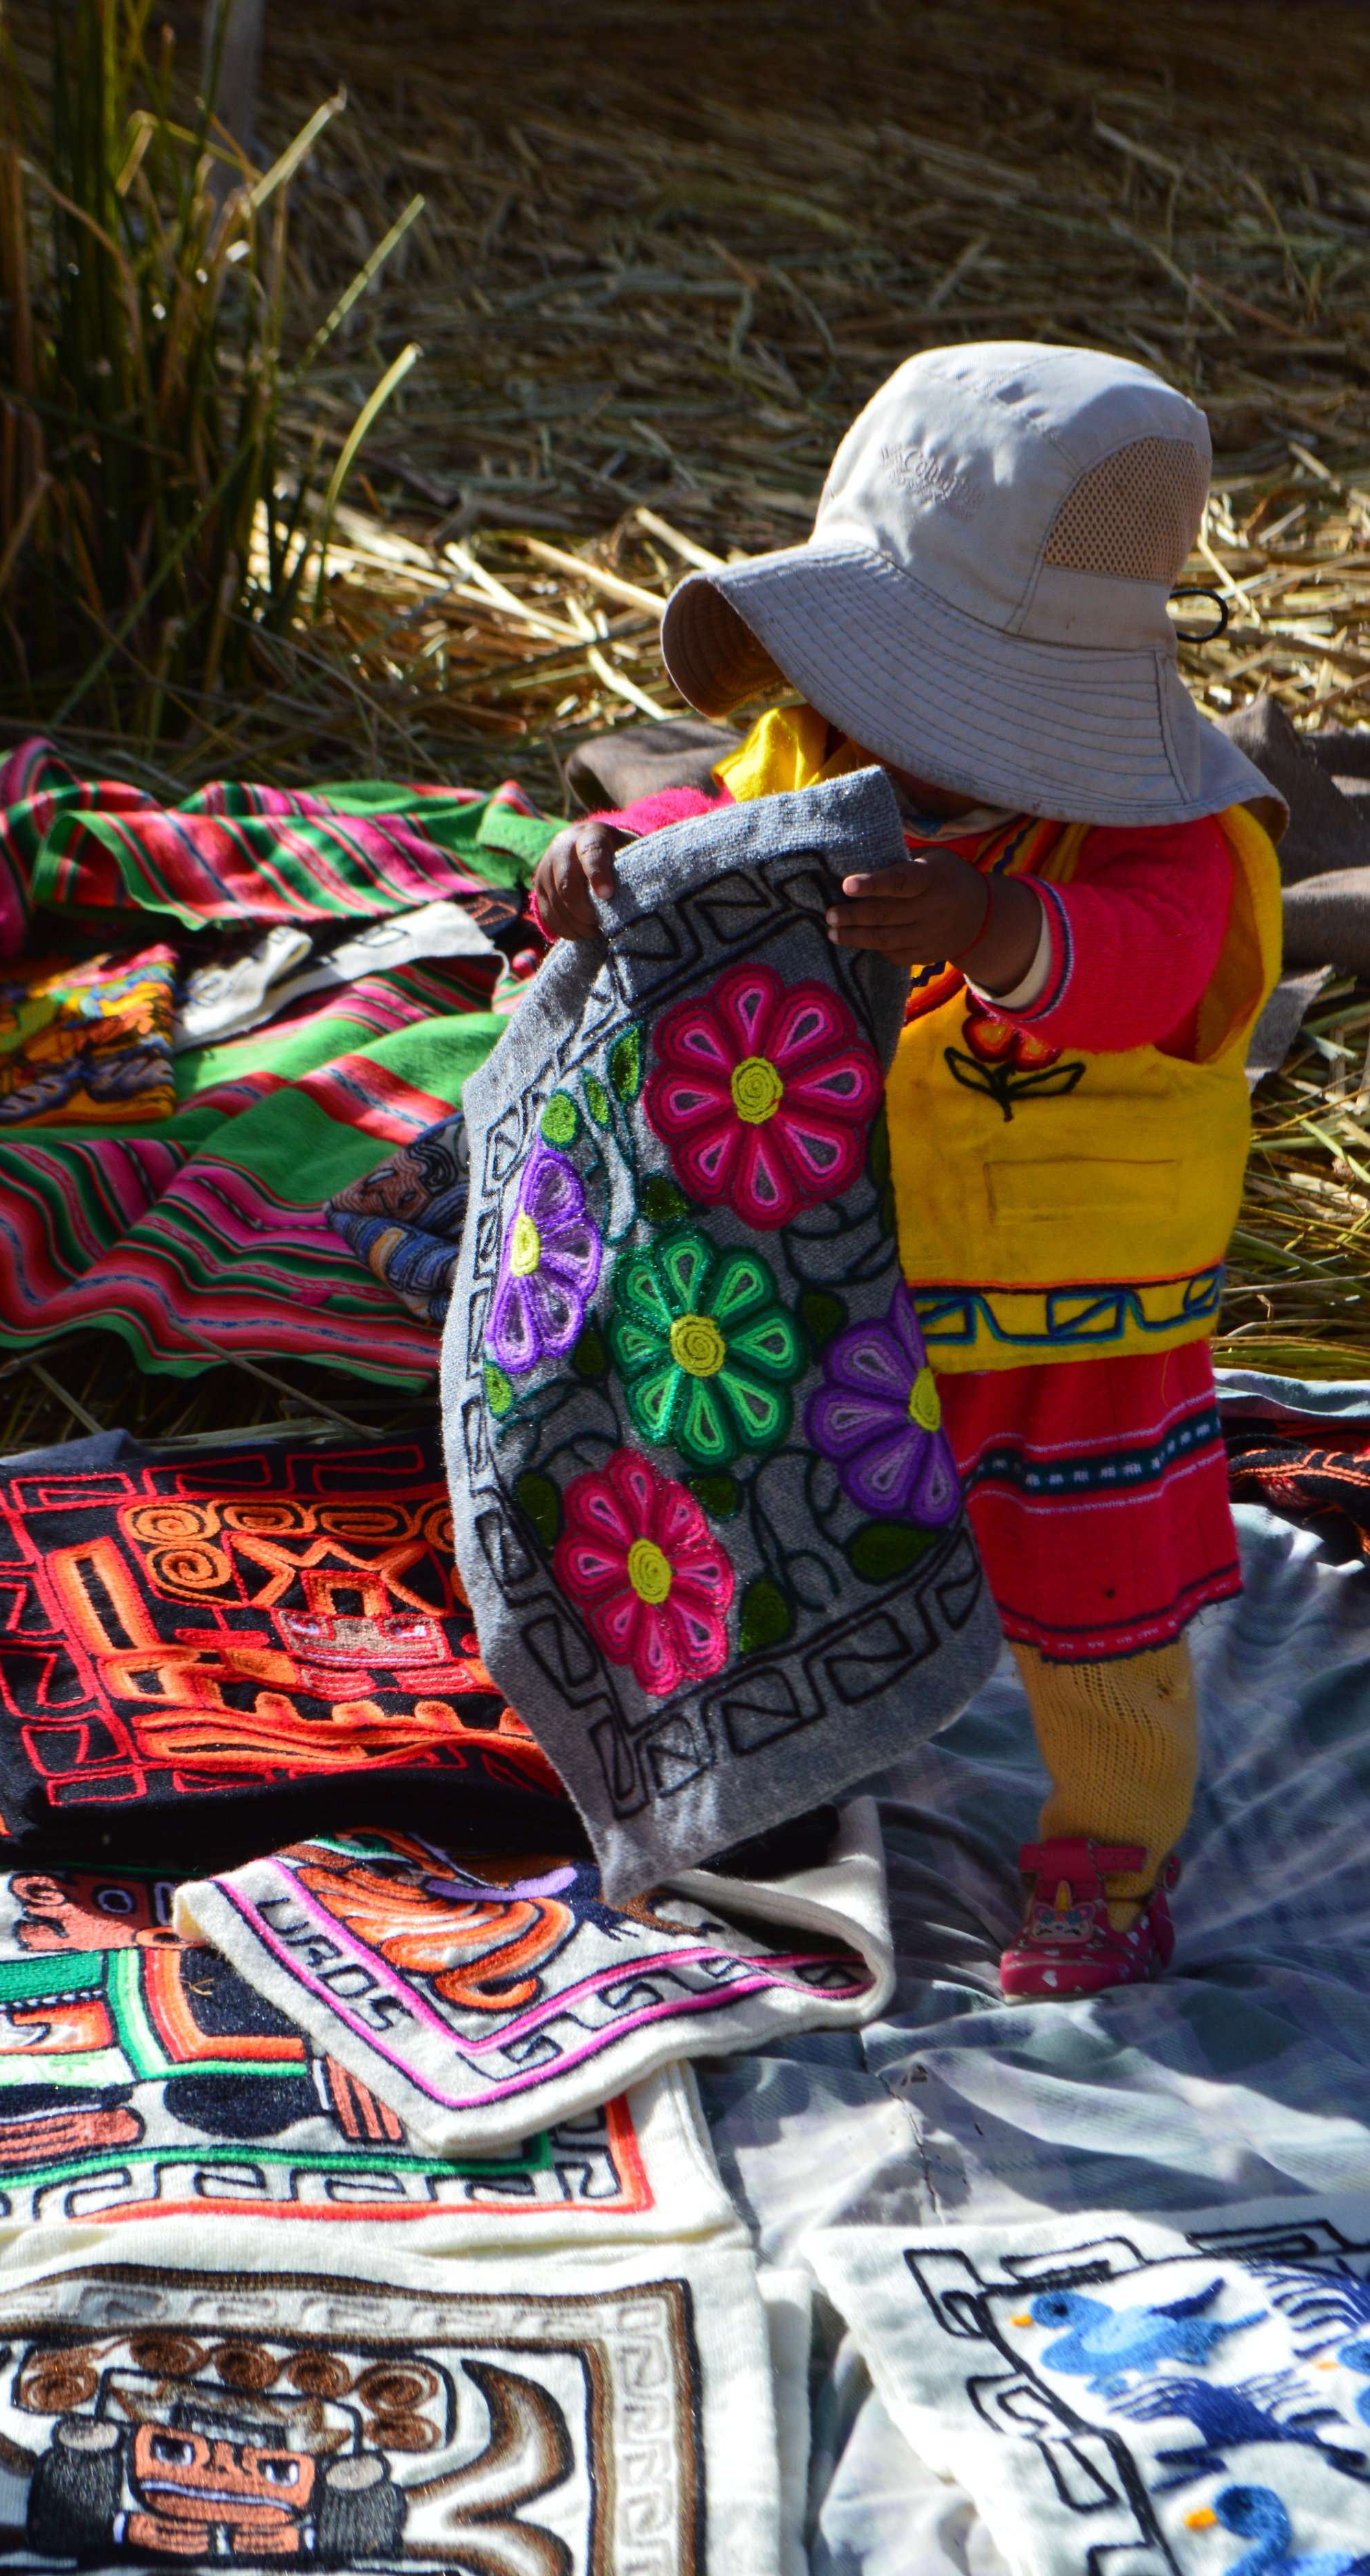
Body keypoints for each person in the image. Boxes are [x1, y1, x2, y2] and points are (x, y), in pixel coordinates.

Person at [531, 343, 1286, 1999]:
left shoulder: (1160, 836)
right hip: (831, 1281)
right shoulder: (808, 747)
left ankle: (1106, 1855)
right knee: (785, 1536)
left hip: (1066, 1326)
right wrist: (612, 853)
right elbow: (717, 826)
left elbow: (1164, 968)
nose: (864, 713)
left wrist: (998, 925)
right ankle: (763, 1794)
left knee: (1085, 1595)